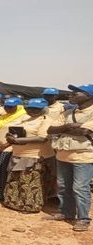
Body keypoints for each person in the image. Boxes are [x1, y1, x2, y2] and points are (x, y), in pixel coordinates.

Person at [46, 84, 93, 231]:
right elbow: (51, 129)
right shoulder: (67, 113)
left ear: (89, 96)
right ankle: (66, 212)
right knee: (63, 186)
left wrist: (67, 128)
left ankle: (83, 219)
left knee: (80, 188)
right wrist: (69, 126)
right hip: (63, 155)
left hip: (83, 156)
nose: (70, 95)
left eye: (76, 93)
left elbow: (84, 131)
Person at [0, 98, 54, 213]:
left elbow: (42, 138)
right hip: (18, 154)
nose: (32, 110)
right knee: (16, 180)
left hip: (33, 156)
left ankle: (30, 206)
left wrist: (18, 140)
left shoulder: (46, 120)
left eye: (36, 109)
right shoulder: (25, 118)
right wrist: (10, 136)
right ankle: (14, 203)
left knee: (30, 182)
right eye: (29, 108)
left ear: (43, 109)